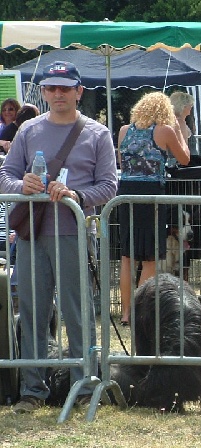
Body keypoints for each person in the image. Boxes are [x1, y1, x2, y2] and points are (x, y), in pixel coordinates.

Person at [0, 61, 118, 413]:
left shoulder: (98, 133)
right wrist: (24, 186)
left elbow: (110, 186)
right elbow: (5, 175)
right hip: (31, 235)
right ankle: (32, 391)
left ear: (79, 92)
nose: (57, 94)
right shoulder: (28, 131)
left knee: (77, 313)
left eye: (65, 88)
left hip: (74, 234)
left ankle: (84, 385)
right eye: (51, 88)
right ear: (44, 92)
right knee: (33, 313)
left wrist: (77, 196)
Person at [117, 92, 191, 325]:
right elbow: (185, 158)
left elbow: (123, 163)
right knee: (150, 259)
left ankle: (126, 312)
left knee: (127, 257)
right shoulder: (165, 130)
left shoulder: (123, 130)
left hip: (126, 193)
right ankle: (138, 312)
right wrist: (179, 128)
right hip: (151, 196)